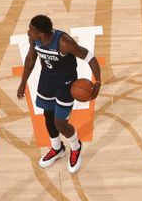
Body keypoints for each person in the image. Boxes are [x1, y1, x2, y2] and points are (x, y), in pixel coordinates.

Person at [16, 15, 101, 173]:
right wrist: (22, 83)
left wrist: (98, 81)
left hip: (66, 85)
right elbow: (30, 59)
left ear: (41, 33)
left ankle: (75, 146)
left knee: (60, 124)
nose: (28, 32)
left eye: (31, 30)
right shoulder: (34, 39)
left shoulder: (64, 42)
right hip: (47, 82)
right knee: (48, 116)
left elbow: (90, 57)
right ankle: (57, 148)